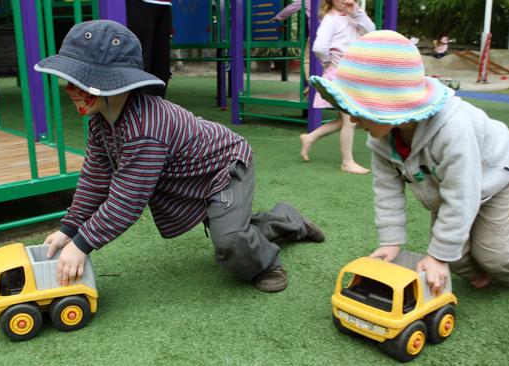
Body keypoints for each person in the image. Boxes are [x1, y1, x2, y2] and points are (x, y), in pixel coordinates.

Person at [34, 20, 326, 293]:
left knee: (229, 240)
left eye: (80, 81)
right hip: (191, 176)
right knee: (232, 227)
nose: (71, 89)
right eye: (70, 79)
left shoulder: (145, 128)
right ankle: (286, 219)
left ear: (112, 82)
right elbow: (95, 179)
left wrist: (82, 244)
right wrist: (69, 229)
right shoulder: (101, 121)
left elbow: (127, 200)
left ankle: (267, 264)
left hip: (224, 169)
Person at [310, 30, 509, 293]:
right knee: (457, 258)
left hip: (495, 177)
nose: (354, 121)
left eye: (359, 112)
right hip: (446, 185)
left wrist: (438, 257)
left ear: (389, 107)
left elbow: (463, 194)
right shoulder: (380, 140)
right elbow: (386, 191)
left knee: (493, 255)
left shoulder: (453, 129)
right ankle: (482, 267)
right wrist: (391, 241)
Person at [299, 0, 374, 174]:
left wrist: (357, 13)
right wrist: (328, 63)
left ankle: (310, 137)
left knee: (348, 119)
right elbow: (318, 47)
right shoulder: (331, 18)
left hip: (351, 75)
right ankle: (347, 162)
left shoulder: (353, 16)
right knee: (350, 120)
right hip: (340, 76)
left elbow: (372, 32)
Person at [126, 0, 171, 98]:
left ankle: (155, 109)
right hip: (139, 4)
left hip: (165, 3)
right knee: (139, 61)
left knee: (161, 66)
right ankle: (135, 109)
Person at [269, 0, 312, 94]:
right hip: (334, 34)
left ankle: (311, 86)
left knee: (307, 60)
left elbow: (292, 8)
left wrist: (278, 17)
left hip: (315, 34)